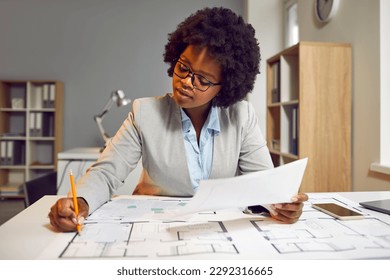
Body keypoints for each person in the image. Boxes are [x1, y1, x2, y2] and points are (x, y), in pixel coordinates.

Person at [49, 7, 308, 232]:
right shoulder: (144, 112)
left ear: (226, 86)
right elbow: (106, 174)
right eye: (183, 67)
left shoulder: (241, 117)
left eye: (203, 80)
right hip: (154, 229)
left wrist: (282, 205)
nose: (185, 82)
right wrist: (80, 201)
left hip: (217, 232)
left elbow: (265, 185)